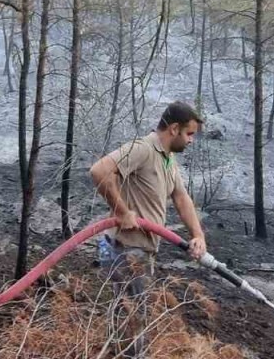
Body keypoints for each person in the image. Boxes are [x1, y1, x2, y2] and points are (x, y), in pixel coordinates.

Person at [88, 101, 208, 356]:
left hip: (140, 251)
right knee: (133, 319)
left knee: (131, 316)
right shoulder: (144, 149)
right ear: (174, 129)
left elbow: (180, 197)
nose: (191, 141)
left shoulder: (167, 158)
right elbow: (99, 171)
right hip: (126, 249)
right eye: (189, 134)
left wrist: (197, 235)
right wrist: (121, 211)